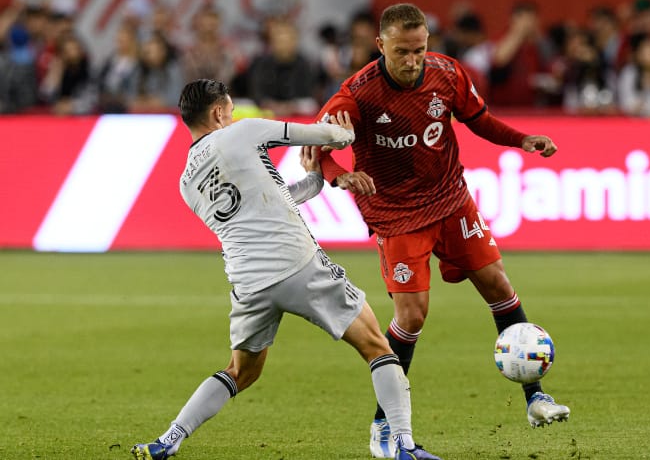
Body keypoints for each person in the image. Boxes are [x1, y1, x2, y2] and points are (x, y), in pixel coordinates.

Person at [129, 79, 442, 460]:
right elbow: (324, 134)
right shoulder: (243, 131)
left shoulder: (186, 183)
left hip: (248, 283)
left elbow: (270, 203)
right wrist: (345, 133)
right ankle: (404, 445)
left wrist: (315, 180)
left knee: (240, 371)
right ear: (218, 112)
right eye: (230, 110)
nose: (233, 117)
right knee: (378, 347)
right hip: (297, 265)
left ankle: (169, 438)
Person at [310, 4, 570, 458]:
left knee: (498, 285)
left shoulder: (447, 73)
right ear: (381, 46)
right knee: (411, 317)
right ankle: (383, 427)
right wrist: (341, 176)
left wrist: (521, 140)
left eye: (419, 50)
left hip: (451, 200)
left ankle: (536, 398)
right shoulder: (357, 94)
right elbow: (318, 150)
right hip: (396, 215)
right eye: (402, 52)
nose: (413, 61)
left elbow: (479, 120)